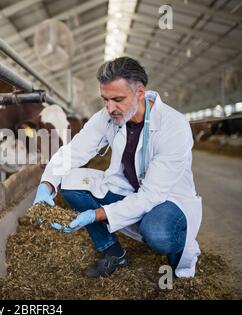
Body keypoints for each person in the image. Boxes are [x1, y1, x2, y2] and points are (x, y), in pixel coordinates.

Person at [33, 57, 202, 278]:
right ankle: (114, 252)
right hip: (128, 188)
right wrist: (46, 185)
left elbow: (151, 195)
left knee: (158, 233)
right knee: (70, 181)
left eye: (118, 99)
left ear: (140, 92)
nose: (110, 108)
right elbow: (74, 152)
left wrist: (94, 215)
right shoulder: (107, 117)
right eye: (105, 99)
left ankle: (177, 249)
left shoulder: (174, 126)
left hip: (166, 199)